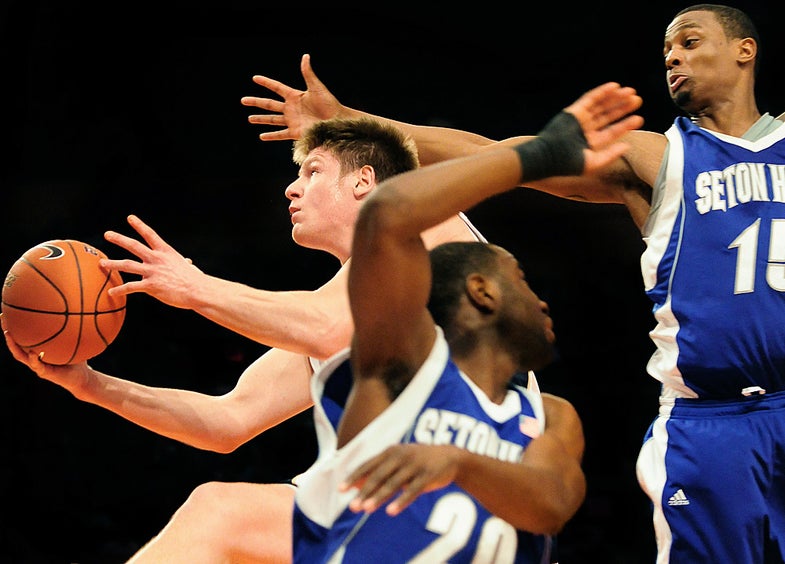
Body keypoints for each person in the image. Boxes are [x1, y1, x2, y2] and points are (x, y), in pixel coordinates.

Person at [244, 5, 785, 562]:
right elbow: (490, 153)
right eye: (669, 49)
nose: (674, 56)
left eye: (690, 43)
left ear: (745, 50)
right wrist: (349, 121)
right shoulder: (660, 156)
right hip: (709, 418)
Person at [2, 117, 489, 563]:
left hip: (472, 500)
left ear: (364, 180)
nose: (291, 188)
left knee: (220, 512)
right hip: (388, 512)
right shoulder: (327, 319)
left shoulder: (427, 223)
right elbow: (225, 422)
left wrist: (195, 287)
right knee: (221, 515)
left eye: (312, 171)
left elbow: (328, 326)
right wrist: (87, 384)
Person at [291, 81, 642, 562]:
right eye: (521, 279)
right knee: (219, 506)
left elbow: (552, 504)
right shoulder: (397, 376)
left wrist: (456, 462)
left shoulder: (552, 415)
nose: (542, 302)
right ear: (482, 292)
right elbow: (385, 214)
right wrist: (538, 155)